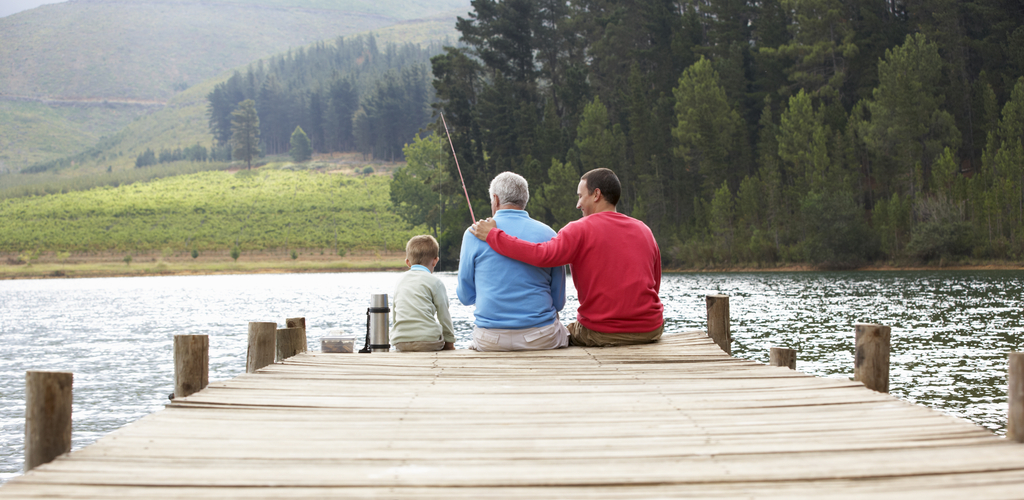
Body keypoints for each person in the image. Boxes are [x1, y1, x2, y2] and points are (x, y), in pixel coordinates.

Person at [469, 168, 663, 347]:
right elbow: (655, 284)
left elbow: (542, 255)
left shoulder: (579, 229)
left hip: (601, 332)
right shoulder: (643, 229)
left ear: (596, 194)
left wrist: (494, 236)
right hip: (651, 330)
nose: (578, 204)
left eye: (580, 196)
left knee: (565, 331)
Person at [457, 172, 568, 351]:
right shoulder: (549, 234)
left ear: (495, 199)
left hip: (490, 340)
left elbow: (465, 297)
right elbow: (559, 302)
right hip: (541, 338)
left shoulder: (474, 234)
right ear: (525, 200)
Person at [390, 235, 456, 352]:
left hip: (400, 341)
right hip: (428, 341)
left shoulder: (400, 281)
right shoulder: (436, 282)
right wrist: (449, 342)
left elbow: (395, 314)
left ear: (407, 262)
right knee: (438, 335)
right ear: (435, 261)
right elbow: (443, 314)